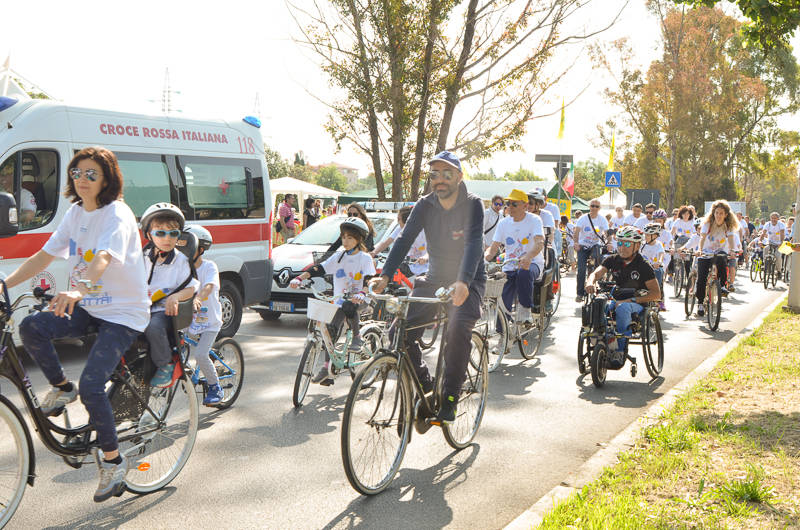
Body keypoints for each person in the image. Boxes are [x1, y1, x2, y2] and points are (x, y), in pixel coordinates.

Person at [2, 146, 150, 502]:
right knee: (32, 327)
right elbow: (44, 255)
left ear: (107, 179)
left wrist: (79, 289)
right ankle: (61, 387)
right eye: (76, 173)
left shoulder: (117, 214)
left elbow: (102, 257)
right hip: (90, 305)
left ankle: (113, 463)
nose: (82, 180)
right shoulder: (74, 213)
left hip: (123, 312)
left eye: (91, 174)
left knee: (93, 384)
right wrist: (4, 284)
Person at [370, 150, 484, 425]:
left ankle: (449, 399)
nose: (440, 180)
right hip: (433, 278)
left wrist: (463, 281)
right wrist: (385, 275)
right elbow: (404, 239)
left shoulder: (473, 204)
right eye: (434, 174)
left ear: (459, 176)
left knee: (457, 330)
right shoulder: (424, 205)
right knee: (400, 332)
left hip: (467, 279)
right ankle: (427, 384)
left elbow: (473, 244)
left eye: (447, 174)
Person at [292, 217, 376, 385]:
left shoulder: (364, 258)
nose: (345, 241)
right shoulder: (338, 257)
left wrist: (362, 292)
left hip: (359, 300)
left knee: (349, 306)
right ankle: (327, 368)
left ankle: (357, 337)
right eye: (343, 237)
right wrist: (299, 278)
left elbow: (369, 279)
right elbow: (319, 268)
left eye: (350, 237)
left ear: (359, 239)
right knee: (329, 331)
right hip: (339, 301)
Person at [140, 203, 199, 387]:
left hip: (164, 311)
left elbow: (191, 287)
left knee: (153, 326)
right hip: (141, 306)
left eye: (173, 233)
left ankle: (165, 364)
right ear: (149, 235)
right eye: (160, 233)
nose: (167, 238)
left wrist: (175, 297)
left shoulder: (180, 261)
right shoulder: (142, 257)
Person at [585, 226, 661, 367]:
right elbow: (596, 273)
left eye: (627, 244)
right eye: (619, 243)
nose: (622, 247)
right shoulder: (613, 259)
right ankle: (599, 340)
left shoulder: (644, 266)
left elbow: (656, 294)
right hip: (618, 297)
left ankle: (619, 350)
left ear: (637, 245)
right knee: (600, 303)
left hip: (637, 302)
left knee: (623, 308)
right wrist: (590, 282)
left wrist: (630, 300)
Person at [485, 189, 545, 322]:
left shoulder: (535, 220)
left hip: (532, 263)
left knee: (524, 273)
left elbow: (540, 242)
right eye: (508, 203)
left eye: (514, 204)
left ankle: (525, 309)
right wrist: (483, 260)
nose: (509, 207)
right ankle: (504, 335)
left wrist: (528, 257)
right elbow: (493, 248)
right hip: (509, 266)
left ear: (525, 206)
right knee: (502, 300)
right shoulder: (503, 223)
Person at [183, 225, 225, 406]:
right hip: (189, 320)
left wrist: (198, 298)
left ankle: (216, 387)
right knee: (174, 346)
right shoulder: (182, 267)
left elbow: (208, 286)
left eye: (189, 246)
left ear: (200, 249)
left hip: (210, 322)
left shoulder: (209, 267)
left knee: (200, 354)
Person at [695, 200, 737, 316]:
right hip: (706, 252)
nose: (718, 215)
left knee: (722, 260)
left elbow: (731, 239)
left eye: (721, 213)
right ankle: (700, 302)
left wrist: (732, 251)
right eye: (717, 213)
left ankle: (722, 286)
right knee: (702, 278)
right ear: (713, 213)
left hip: (719, 251)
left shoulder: (728, 226)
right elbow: (702, 238)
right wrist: (699, 250)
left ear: (726, 215)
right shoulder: (707, 224)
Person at [371, 205, 429, 280]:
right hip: (408, 265)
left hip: (425, 267)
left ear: (408, 221)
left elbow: (434, 248)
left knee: (421, 287)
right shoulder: (400, 228)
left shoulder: (424, 231)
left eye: (399, 219)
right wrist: (373, 252)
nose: (397, 221)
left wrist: (425, 257)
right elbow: (386, 243)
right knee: (391, 279)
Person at [574, 199, 610, 302]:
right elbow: (576, 233)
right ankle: (579, 293)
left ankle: (597, 283)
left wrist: (610, 242)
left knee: (598, 262)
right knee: (581, 269)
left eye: (596, 207)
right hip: (583, 246)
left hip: (595, 245)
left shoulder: (602, 219)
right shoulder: (582, 218)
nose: (594, 208)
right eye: (592, 206)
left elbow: (607, 233)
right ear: (589, 207)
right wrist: (576, 243)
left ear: (599, 208)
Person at [641, 223, 666, 310]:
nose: (646, 237)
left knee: (658, 272)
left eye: (648, 235)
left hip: (654, 267)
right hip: (643, 267)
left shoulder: (658, 244)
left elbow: (661, 253)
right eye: (645, 235)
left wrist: (659, 261)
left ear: (655, 236)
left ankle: (657, 297)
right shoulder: (642, 245)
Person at [761, 212, 786, 280]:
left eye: (775, 218)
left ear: (778, 218)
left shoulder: (781, 224)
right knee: (765, 249)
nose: (773, 219)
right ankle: (765, 263)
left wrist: (781, 242)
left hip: (778, 243)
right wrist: (760, 240)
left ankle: (779, 271)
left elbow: (782, 233)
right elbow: (763, 233)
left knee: (778, 256)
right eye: (772, 218)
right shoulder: (768, 224)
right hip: (770, 242)